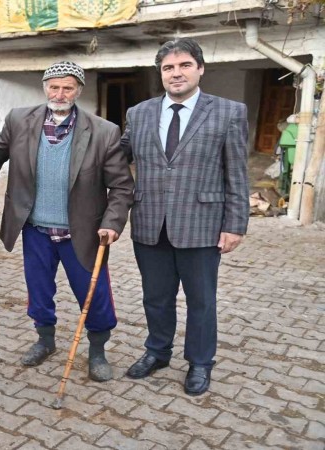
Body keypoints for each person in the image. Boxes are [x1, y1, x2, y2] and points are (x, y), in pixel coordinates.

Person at [120, 38, 249, 395]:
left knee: (201, 301)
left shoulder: (229, 112)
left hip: (202, 224)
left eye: (184, 65)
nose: (176, 73)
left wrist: (235, 225)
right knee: (155, 297)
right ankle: (157, 352)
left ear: (200, 69)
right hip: (150, 222)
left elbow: (237, 173)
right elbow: (116, 157)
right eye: (168, 68)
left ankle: (200, 362)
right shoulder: (139, 113)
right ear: (161, 73)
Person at [0, 61, 134, 381]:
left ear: (78, 91)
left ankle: (97, 350)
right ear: (45, 88)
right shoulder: (19, 120)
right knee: (39, 290)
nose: (60, 94)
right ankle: (45, 340)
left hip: (82, 231)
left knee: (93, 293)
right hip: (35, 229)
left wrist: (112, 222)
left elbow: (122, 186)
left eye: (67, 88)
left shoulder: (103, 131)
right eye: (54, 87)